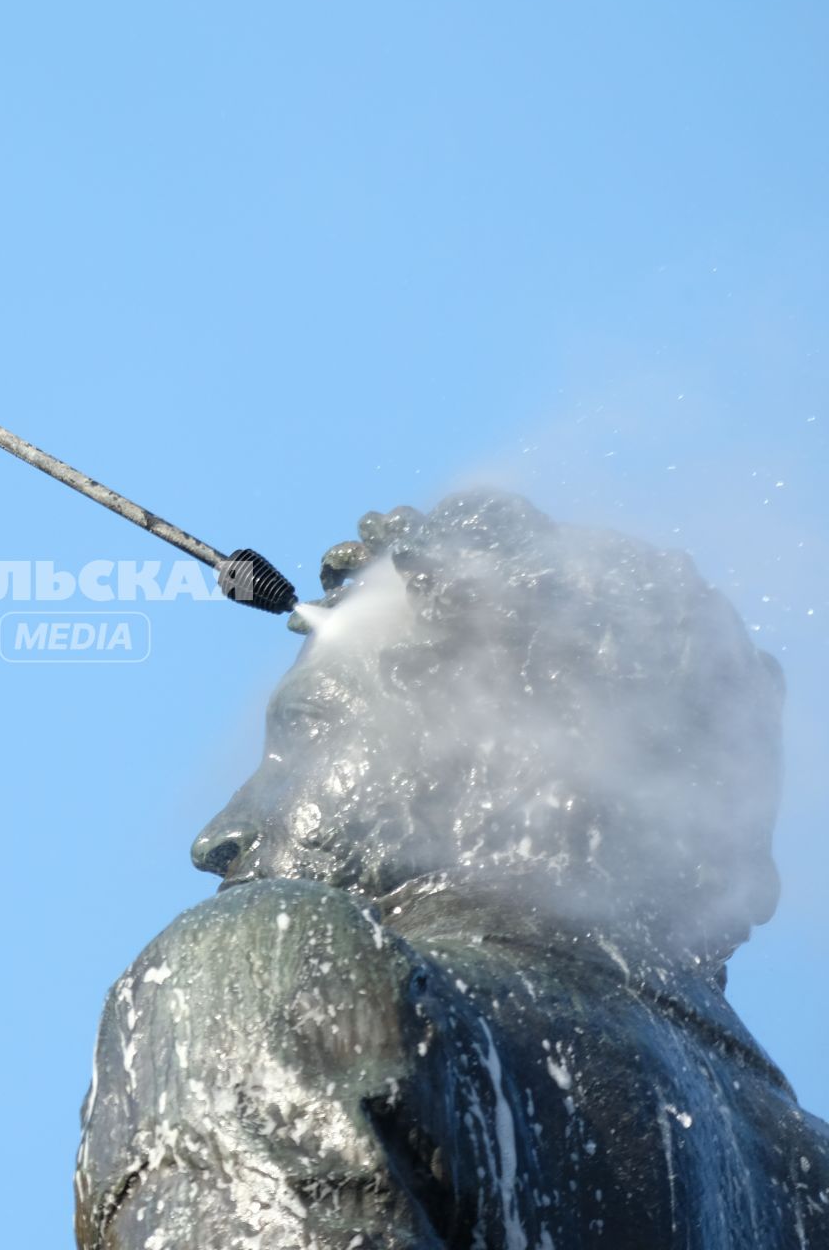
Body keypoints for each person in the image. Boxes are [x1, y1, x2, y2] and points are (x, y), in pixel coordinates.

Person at [74, 492, 829, 1249]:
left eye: (310, 730)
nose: (219, 836)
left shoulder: (284, 970)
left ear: (498, 741)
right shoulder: (808, 1181)